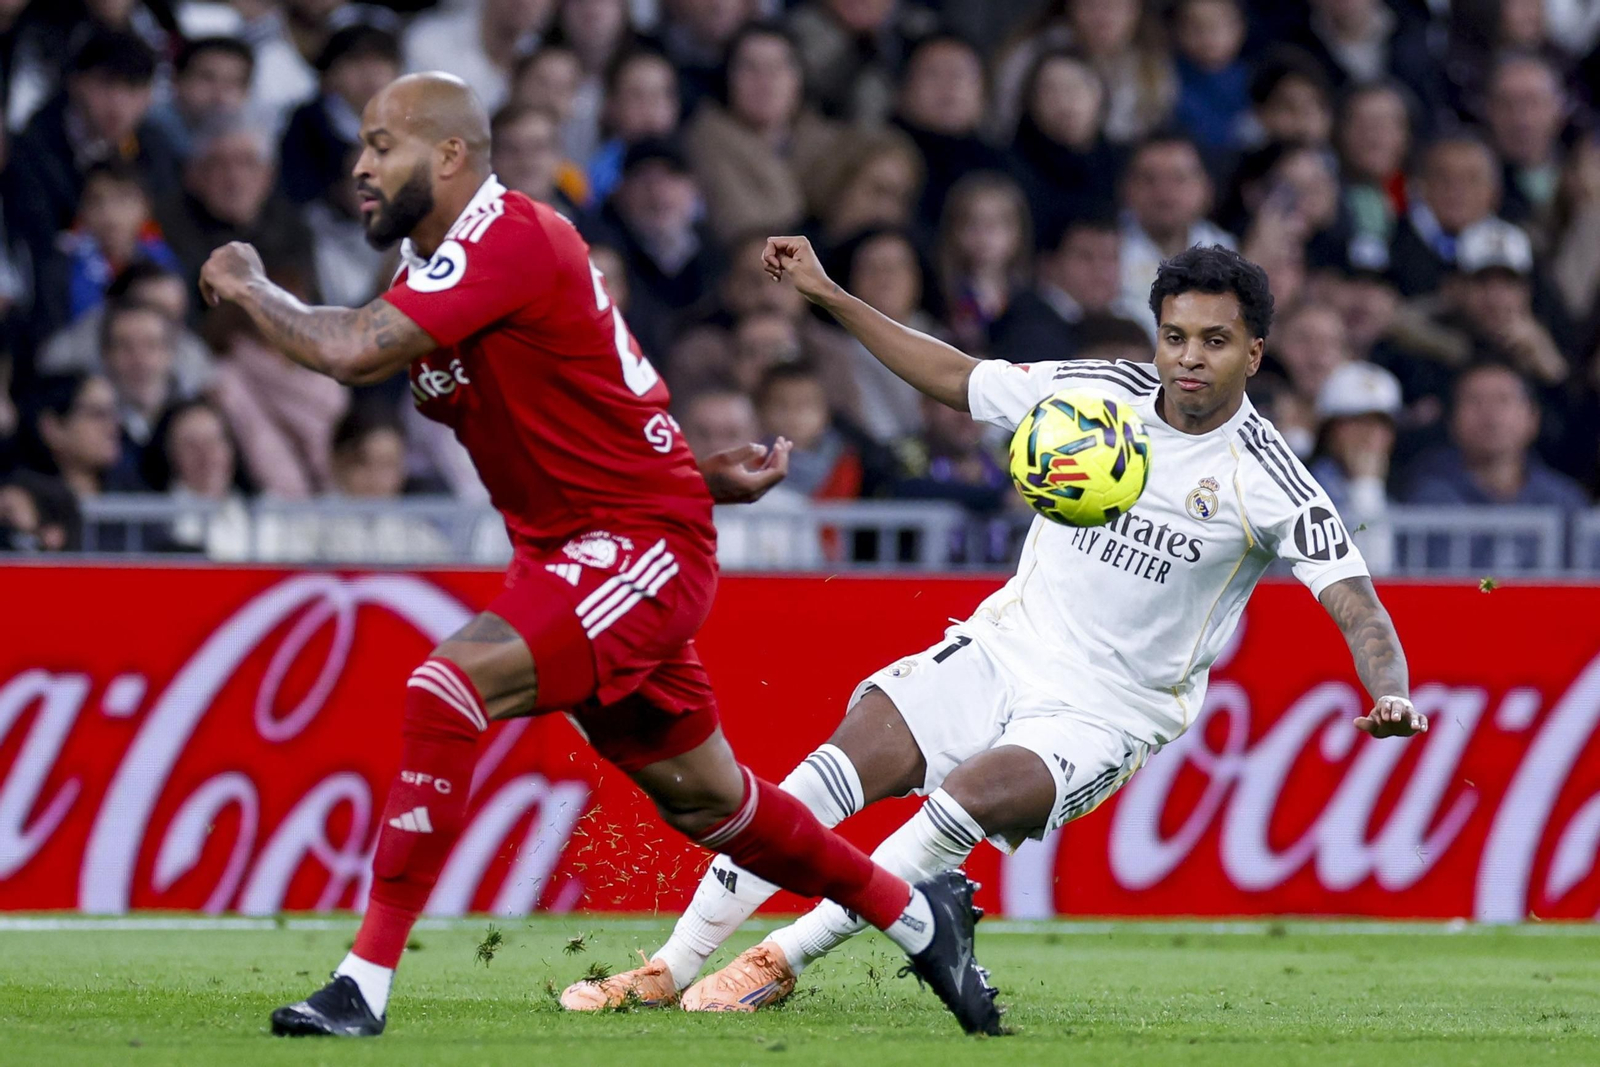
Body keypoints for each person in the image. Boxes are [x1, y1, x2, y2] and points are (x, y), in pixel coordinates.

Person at [197, 71, 999, 1039]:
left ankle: (361, 982)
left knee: (443, 689)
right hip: (584, 546)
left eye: (382, 144)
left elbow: (354, 349)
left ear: (448, 155)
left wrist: (249, 285)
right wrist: (695, 470)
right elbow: (588, 411)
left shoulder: (508, 237)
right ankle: (919, 914)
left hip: (635, 547)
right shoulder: (447, 273)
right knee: (712, 804)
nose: (360, 166)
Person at [563, 239, 1426, 1013]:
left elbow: (1355, 600)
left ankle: (778, 959)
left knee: (967, 796)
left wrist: (1390, 693)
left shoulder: (1271, 476)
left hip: (1109, 710)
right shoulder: (1097, 395)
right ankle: (672, 965)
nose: (1189, 358)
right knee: (843, 757)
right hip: (1003, 644)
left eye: (1214, 341)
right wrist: (829, 294)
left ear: (1255, 352)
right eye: (1175, 336)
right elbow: (955, 375)